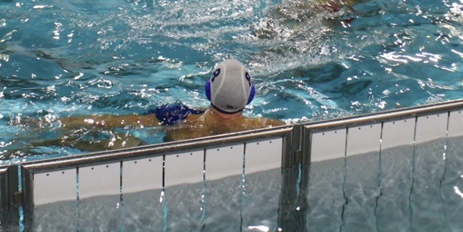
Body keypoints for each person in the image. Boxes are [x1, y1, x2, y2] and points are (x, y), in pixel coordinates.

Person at [39, 59, 284, 146]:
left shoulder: (177, 117)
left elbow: (111, 122)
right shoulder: (271, 128)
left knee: (93, 138)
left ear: (208, 91)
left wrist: (50, 122)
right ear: (250, 96)